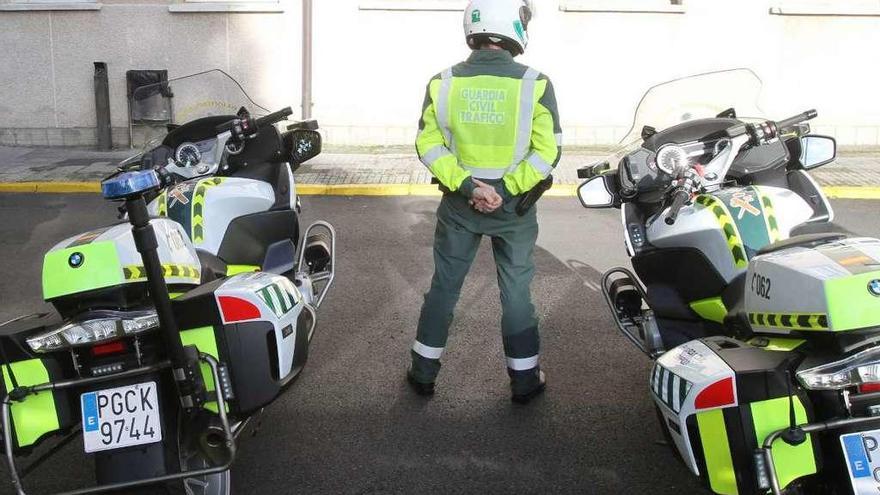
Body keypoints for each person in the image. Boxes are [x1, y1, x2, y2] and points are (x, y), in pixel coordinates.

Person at [406, 0, 562, 404]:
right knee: (516, 296)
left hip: (461, 206)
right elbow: (547, 154)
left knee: (444, 288)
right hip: (513, 210)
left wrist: (467, 187)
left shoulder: (442, 82)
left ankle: (423, 373)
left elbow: (428, 144)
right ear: (514, 29)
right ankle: (525, 381)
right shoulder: (536, 83)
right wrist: (505, 190)